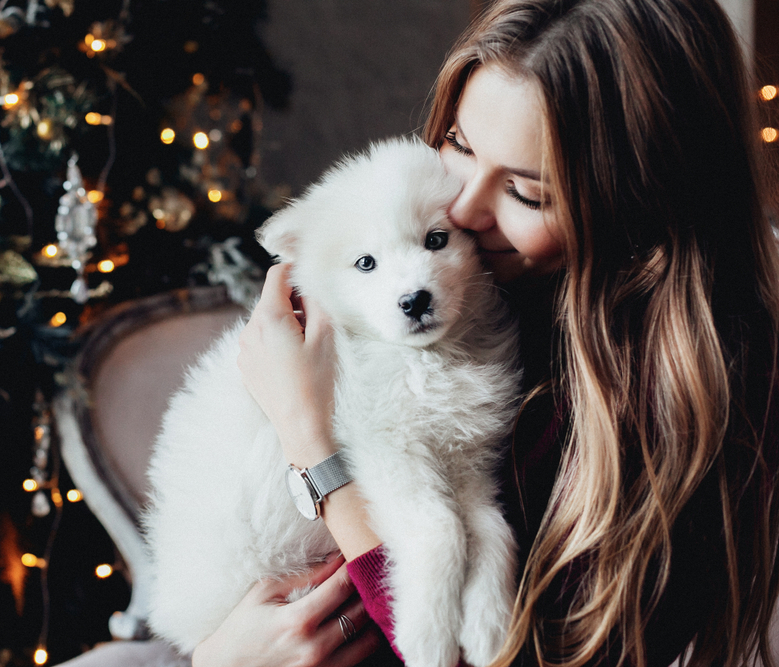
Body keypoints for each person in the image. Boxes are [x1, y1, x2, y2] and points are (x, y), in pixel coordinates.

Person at [192, 0, 779, 665]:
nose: (465, 207)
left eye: (528, 193)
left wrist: (310, 437)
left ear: (640, 203)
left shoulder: (695, 388)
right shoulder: (479, 283)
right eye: (460, 147)